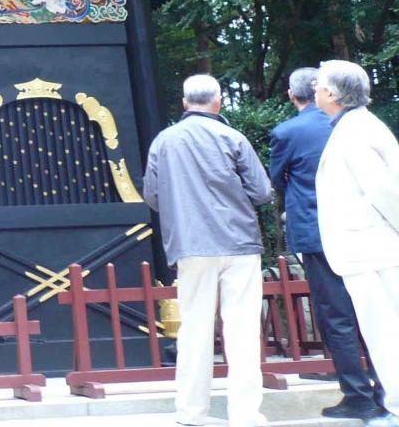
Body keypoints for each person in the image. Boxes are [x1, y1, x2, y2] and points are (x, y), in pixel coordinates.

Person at [144, 74, 273, 427]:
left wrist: (182, 209)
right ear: (218, 102)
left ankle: (191, 413)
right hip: (239, 242)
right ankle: (246, 415)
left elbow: (152, 195)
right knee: (242, 330)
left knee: (194, 329)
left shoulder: (164, 141)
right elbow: (262, 192)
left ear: (185, 103)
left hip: (191, 244)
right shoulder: (233, 137)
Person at [269, 67, 385, 420]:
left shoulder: (288, 132)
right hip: (363, 231)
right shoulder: (355, 125)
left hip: (316, 231)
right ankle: (385, 389)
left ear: (293, 95)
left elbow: (277, 179)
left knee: (336, 315)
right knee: (375, 311)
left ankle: (357, 394)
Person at [314, 60, 399, 427]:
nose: (315, 89)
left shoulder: (355, 131)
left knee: (386, 334)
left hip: (373, 248)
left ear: (333, 93)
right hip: (371, 247)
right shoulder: (355, 126)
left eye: (319, 84)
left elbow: (385, 191)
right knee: (384, 333)